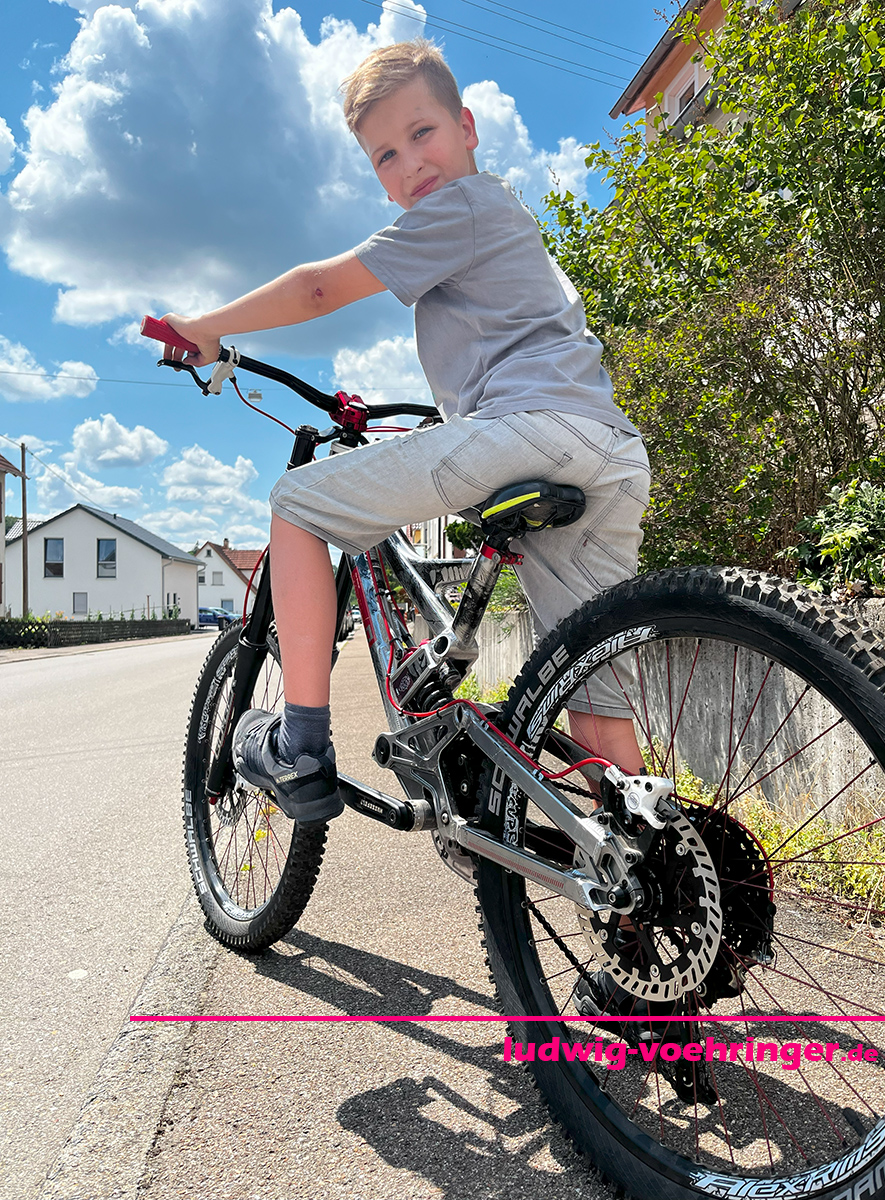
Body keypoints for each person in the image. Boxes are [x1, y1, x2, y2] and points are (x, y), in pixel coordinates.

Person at [161, 38, 651, 827]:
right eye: (385, 155)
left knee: (296, 504)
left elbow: (320, 287)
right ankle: (639, 866)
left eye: (421, 133)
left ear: (467, 126)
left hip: (527, 431)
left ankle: (301, 744)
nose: (410, 163)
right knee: (587, 682)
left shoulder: (462, 206)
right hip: (608, 451)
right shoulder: (501, 216)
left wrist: (204, 327)